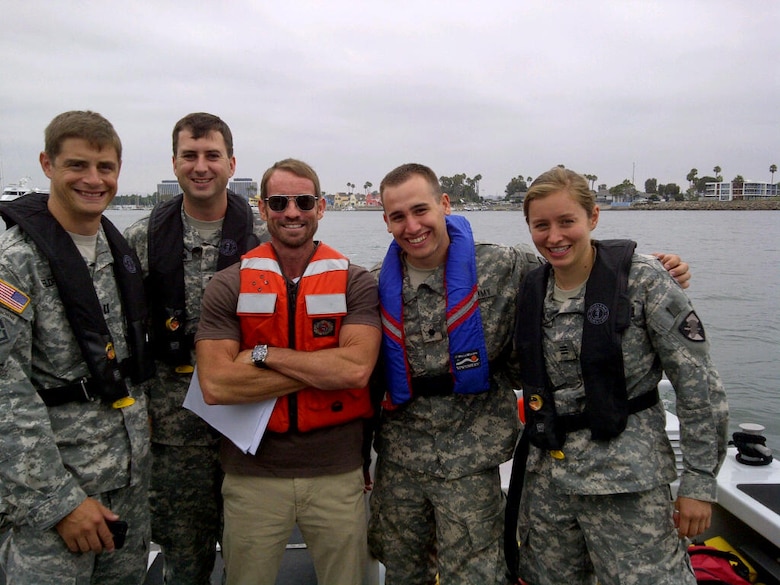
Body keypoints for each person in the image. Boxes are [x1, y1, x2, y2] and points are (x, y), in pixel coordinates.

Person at [366, 163, 692, 585]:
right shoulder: (372, 285)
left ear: (444, 205)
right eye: (398, 216)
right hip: (399, 458)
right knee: (402, 568)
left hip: (474, 457)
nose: (412, 226)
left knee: (478, 575)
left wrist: (660, 265)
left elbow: (574, 255)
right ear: (386, 221)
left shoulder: (504, 265)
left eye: (420, 210)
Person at [506, 166, 728, 585]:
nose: (554, 236)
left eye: (567, 221)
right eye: (541, 225)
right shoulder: (530, 288)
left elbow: (698, 384)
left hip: (626, 484)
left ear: (593, 217)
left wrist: (699, 483)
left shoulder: (644, 280)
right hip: (549, 485)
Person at [194, 158, 381, 585]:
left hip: (337, 474)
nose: (291, 211)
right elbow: (217, 383)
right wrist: (324, 367)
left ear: (321, 207)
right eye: (279, 201)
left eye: (303, 201)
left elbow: (355, 372)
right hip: (251, 478)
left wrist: (262, 353)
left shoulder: (356, 282)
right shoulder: (229, 284)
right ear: (262, 208)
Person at [0, 110, 154, 584]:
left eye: (105, 167)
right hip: (55, 503)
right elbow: (6, 395)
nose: (93, 179)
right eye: (77, 166)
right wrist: (60, 502)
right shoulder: (15, 266)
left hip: (127, 486)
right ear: (47, 164)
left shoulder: (118, 250)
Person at [123, 112, 268, 585]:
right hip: (173, 432)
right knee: (185, 559)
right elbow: (120, 332)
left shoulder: (264, 241)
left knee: (252, 555)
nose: (200, 166)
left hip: (249, 427)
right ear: (174, 162)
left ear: (231, 163)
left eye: (211, 156)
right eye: (190, 155)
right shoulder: (139, 240)